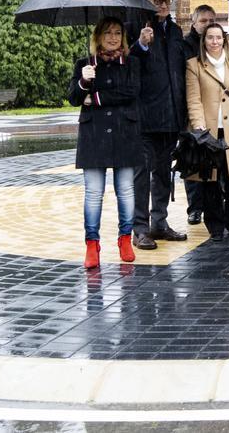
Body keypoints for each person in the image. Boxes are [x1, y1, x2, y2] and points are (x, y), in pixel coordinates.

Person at [68, 17, 141, 268]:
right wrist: (83, 82)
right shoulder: (84, 64)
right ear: (97, 37)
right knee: (93, 193)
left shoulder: (131, 63)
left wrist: (95, 97)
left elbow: (131, 92)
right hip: (94, 135)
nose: (113, 37)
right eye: (107, 33)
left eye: (118, 33)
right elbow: (73, 98)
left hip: (124, 133)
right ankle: (92, 244)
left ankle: (125, 238)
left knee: (125, 191)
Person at [126, 0, 188, 249]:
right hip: (144, 116)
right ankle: (139, 228)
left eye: (166, 2)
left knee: (163, 173)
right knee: (141, 175)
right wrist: (140, 44)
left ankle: (159, 222)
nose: (162, 6)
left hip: (170, 116)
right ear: (148, 1)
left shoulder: (174, 31)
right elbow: (126, 62)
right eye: (157, 1)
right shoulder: (136, 27)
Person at [185, 23, 229, 240]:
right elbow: (193, 99)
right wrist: (198, 125)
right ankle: (215, 226)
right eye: (210, 38)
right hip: (208, 132)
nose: (214, 42)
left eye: (218, 38)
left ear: (224, 40)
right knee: (210, 180)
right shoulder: (194, 65)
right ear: (203, 41)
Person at [181, 4, 216, 226]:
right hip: (192, 110)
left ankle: (214, 204)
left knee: (215, 159)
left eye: (212, 20)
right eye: (203, 21)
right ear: (194, 22)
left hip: (216, 111)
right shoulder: (186, 45)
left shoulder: (221, 44)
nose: (208, 24)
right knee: (193, 161)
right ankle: (194, 208)